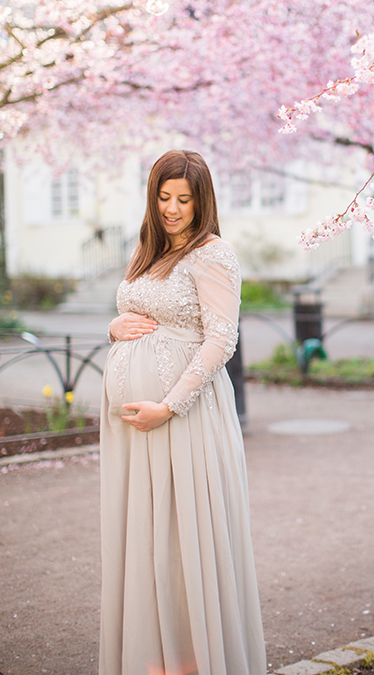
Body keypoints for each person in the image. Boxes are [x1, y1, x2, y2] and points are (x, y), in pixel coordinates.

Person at [99, 150, 266, 675]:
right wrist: (113, 329)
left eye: (184, 200)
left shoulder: (213, 255)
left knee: (180, 544)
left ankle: (194, 665)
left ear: (202, 201)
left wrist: (168, 406)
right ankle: (154, 662)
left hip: (183, 421)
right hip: (134, 431)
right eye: (164, 197)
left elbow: (221, 341)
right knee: (145, 546)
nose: (172, 209)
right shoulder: (147, 249)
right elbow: (135, 312)